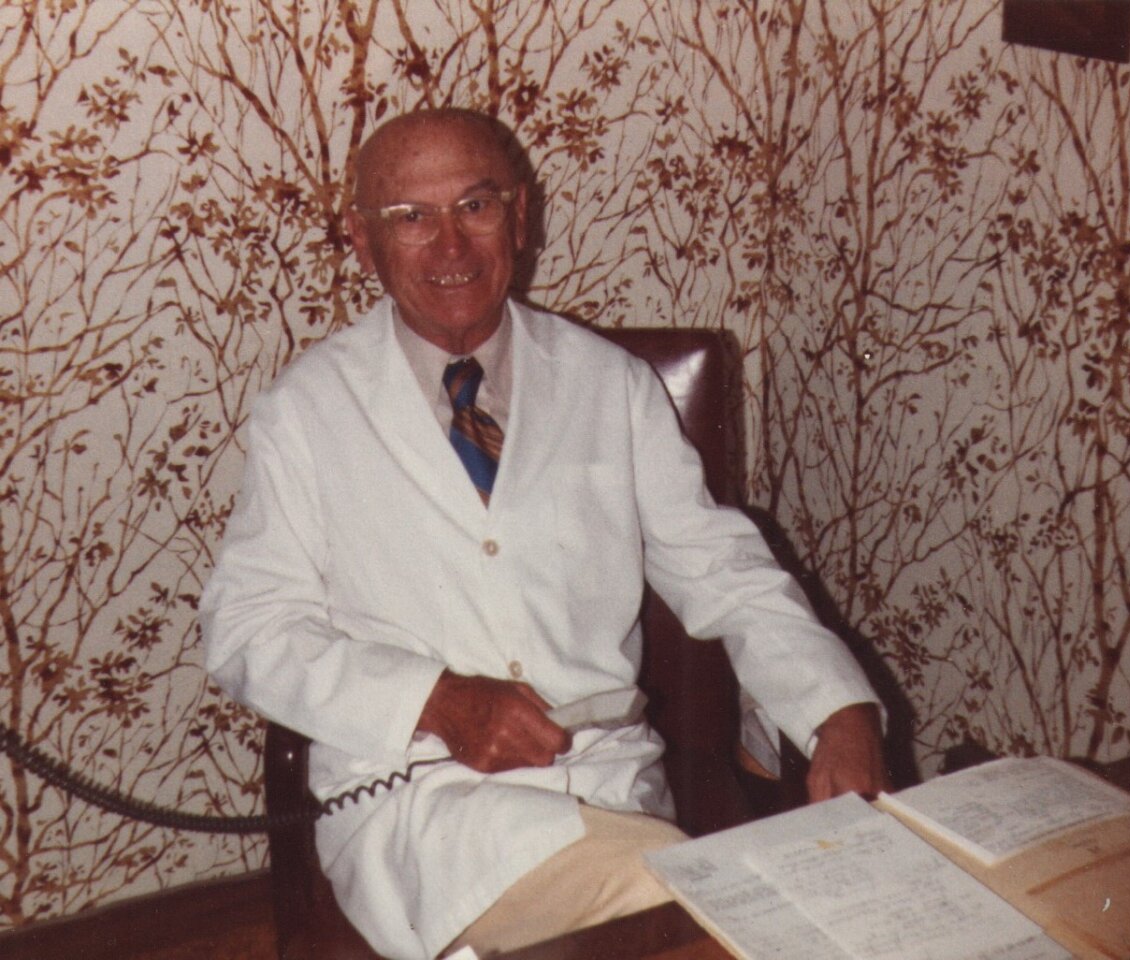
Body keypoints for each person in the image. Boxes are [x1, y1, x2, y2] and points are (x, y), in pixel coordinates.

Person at [200, 107, 888, 959]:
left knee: (674, 912)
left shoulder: (609, 385)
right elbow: (247, 631)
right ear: (361, 239)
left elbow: (725, 569)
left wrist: (840, 711)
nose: (450, 247)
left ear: (520, 216)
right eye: (411, 217)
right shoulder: (305, 413)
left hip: (606, 785)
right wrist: (439, 701)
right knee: (708, 923)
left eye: (476, 206)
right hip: (428, 804)